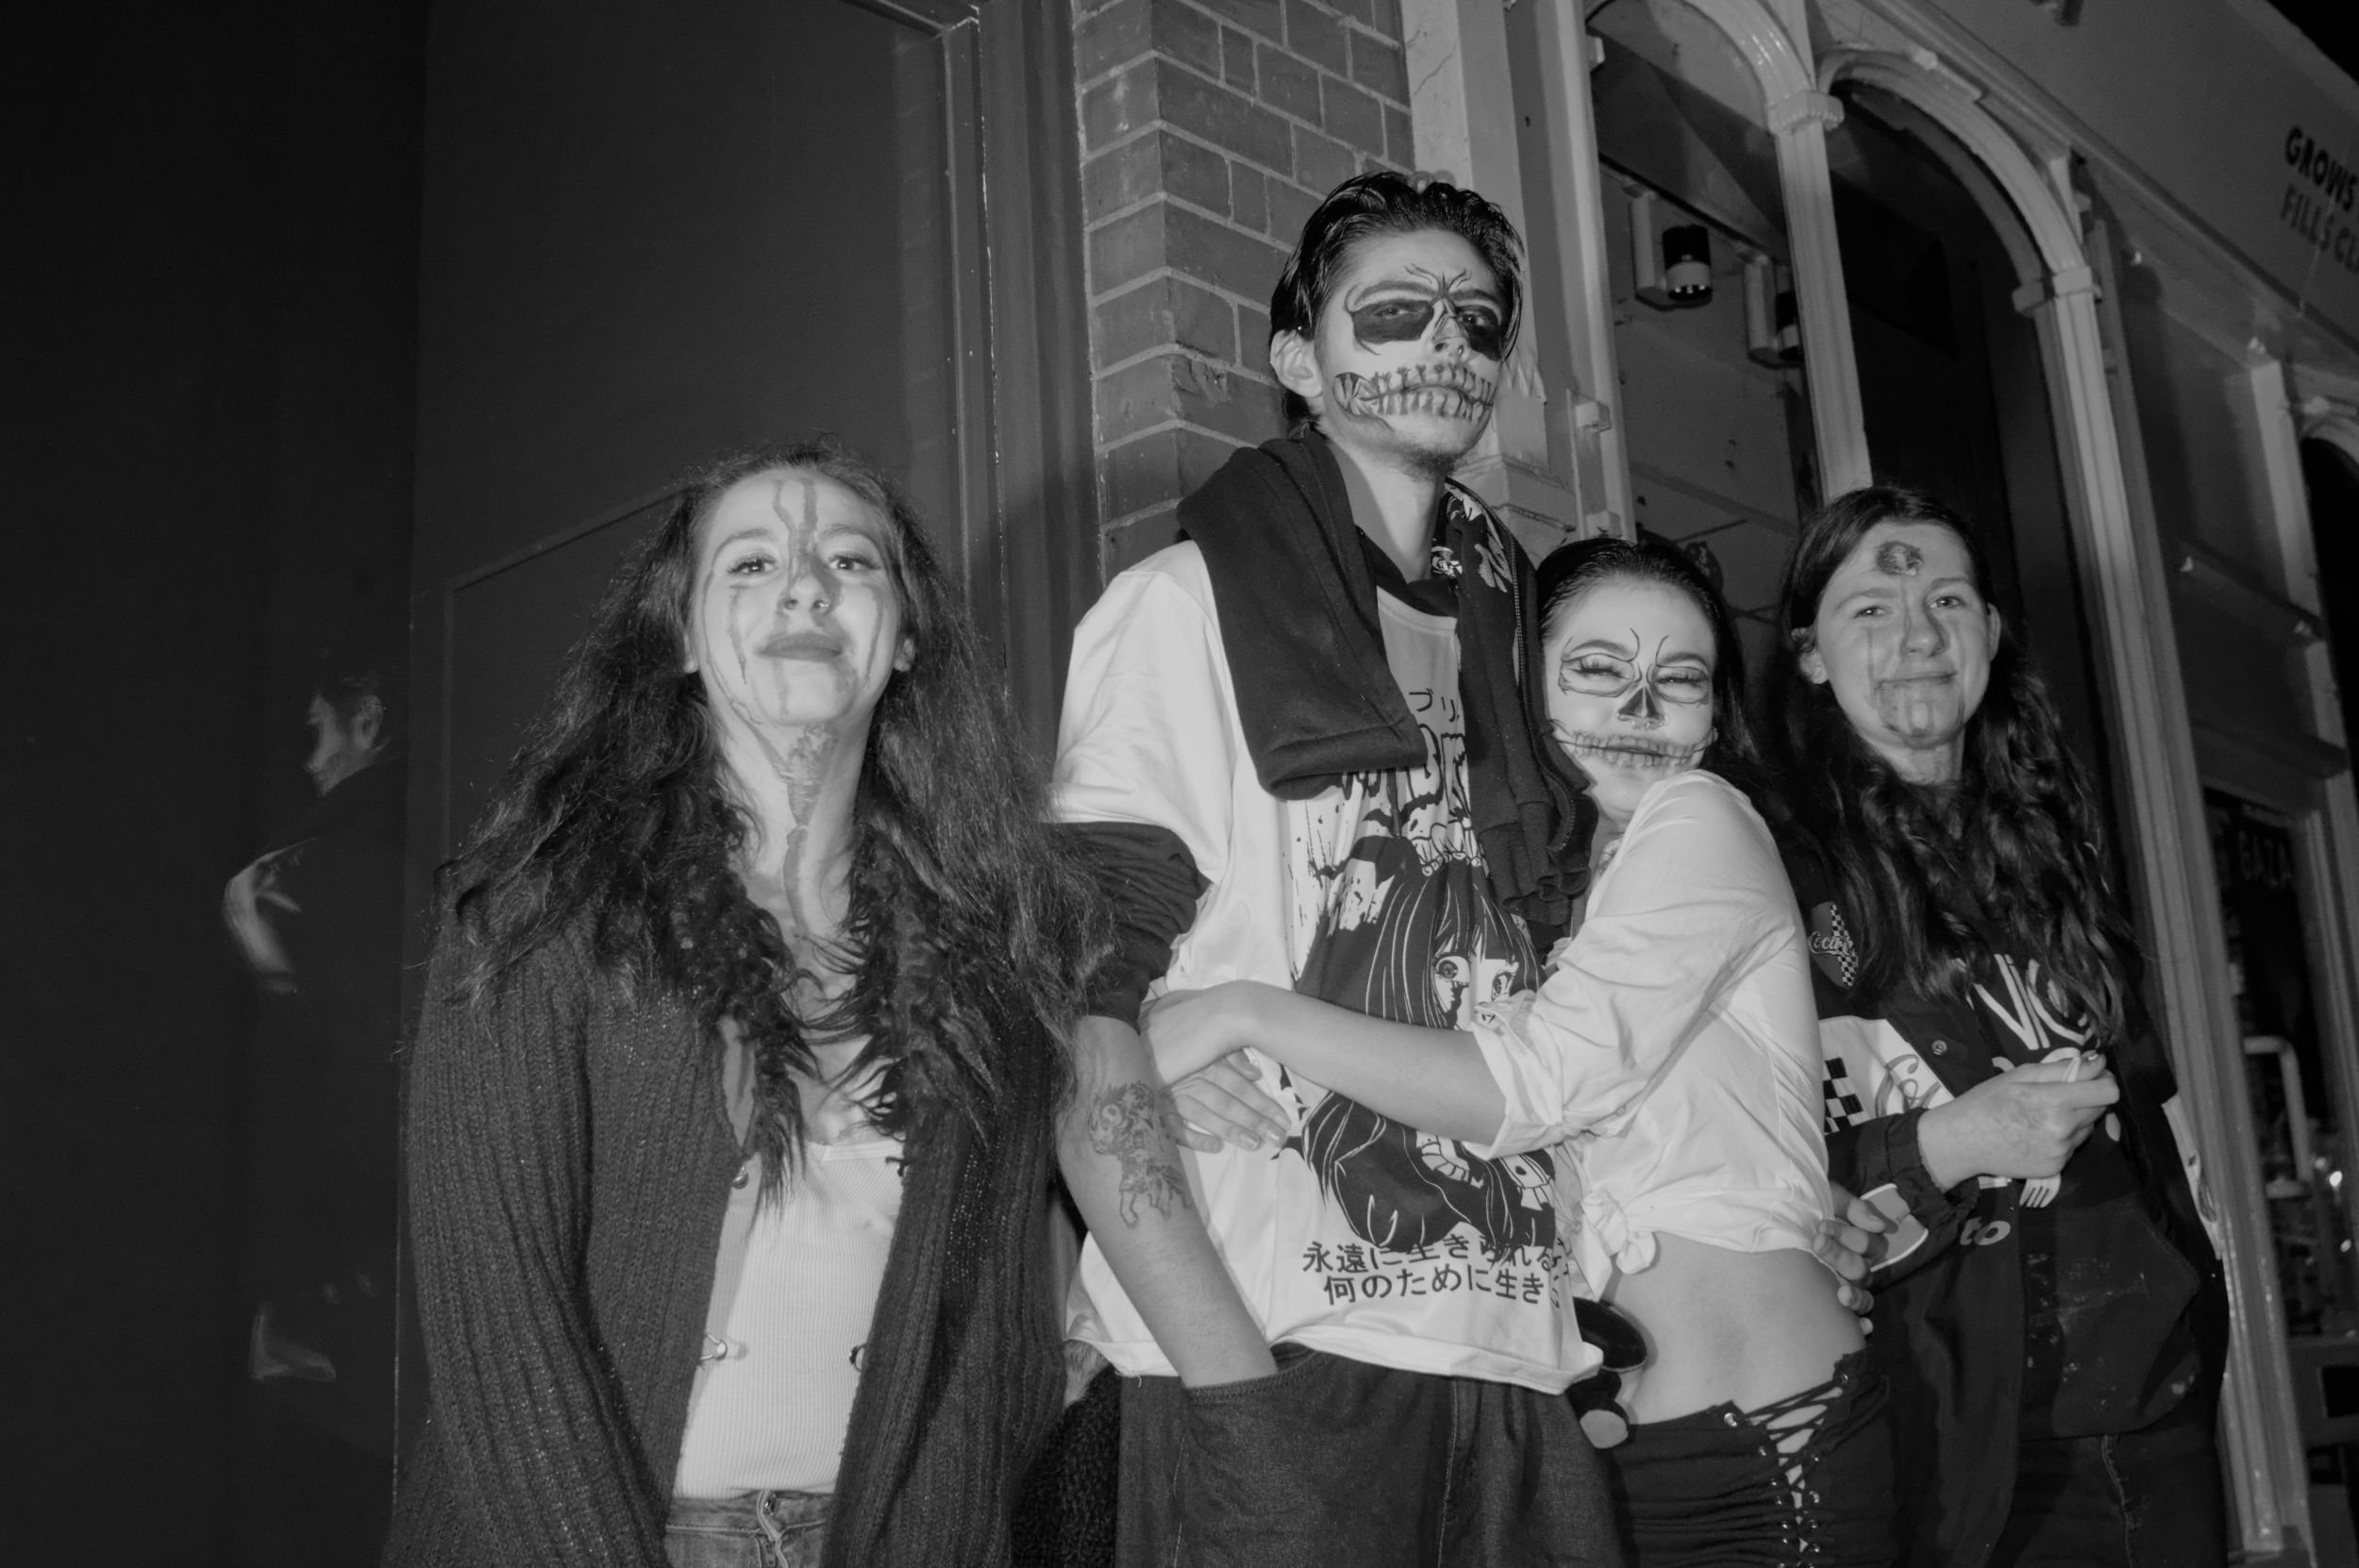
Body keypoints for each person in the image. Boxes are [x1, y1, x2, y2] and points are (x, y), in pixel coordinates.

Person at [385, 442, 1104, 1568]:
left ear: (907, 635)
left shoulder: (991, 946)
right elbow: (501, 1319)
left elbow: (989, 1333)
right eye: (751, 563)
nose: (806, 584)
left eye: (851, 561)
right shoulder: (541, 914)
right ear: (677, 636)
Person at [1050, 169, 1621, 1568]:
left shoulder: (1522, 646)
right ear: (1300, 358)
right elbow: (1079, 1012)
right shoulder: (1178, 612)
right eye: (1396, 312)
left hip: (1516, 1356)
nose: (1446, 345)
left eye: (1478, 322)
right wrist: (1235, 1396)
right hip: (1282, 1348)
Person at [1145, 535, 1897, 1565]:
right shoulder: (1505, 897)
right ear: (1514, 688)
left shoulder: (1702, 818)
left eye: (1679, 681)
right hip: (1585, 1454)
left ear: (1715, 718)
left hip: (1770, 1451)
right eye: (1596, 671)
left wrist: (1240, 1017)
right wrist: (1171, 1047)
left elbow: (1546, 1079)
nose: (1639, 710)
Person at [1763, 486, 2226, 1567]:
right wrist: (1954, 1144)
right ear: (1811, 655)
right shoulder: (1772, 875)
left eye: (1948, 598)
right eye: (1869, 609)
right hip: (1962, 1436)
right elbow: (1740, 1172)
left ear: (1990, 634)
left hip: (2157, 1406)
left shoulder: (2049, 842)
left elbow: (2150, 1115)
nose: (1917, 633)